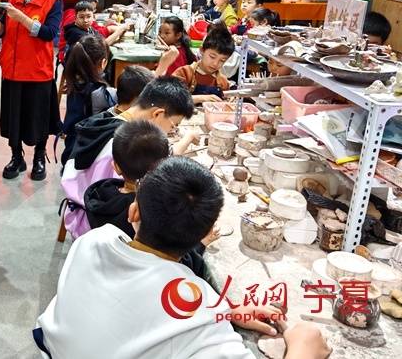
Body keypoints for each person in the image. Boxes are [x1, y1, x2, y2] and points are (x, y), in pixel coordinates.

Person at [36, 157, 332, 359]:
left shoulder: (93, 242)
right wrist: (303, 347)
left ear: (134, 211)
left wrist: (225, 310)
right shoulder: (198, 308)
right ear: (207, 234)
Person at [60, 76, 196, 239]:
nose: (171, 132)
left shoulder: (109, 122)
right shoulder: (124, 146)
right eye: (173, 126)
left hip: (80, 208)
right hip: (94, 225)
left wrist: (187, 139)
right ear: (158, 114)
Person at [84, 120, 214, 281]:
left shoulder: (102, 193)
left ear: (116, 166)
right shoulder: (154, 211)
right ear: (134, 213)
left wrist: (187, 138)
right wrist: (200, 244)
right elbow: (170, 261)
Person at [0, 0, 63, 181]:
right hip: (12, 70)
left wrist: (22, 17)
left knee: (38, 118)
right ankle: (16, 157)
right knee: (14, 118)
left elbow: (49, 33)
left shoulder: (53, 1)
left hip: (38, 71)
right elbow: (0, 32)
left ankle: (39, 157)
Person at [61, 35, 112, 165]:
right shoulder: (100, 93)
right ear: (103, 63)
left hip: (71, 149)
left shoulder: (74, 82)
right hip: (87, 155)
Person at [173, 23, 234, 104]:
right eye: (212, 57)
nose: (215, 63)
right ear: (202, 50)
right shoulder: (184, 73)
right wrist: (201, 98)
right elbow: (171, 99)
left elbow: (227, 99)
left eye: (222, 60)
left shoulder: (222, 81)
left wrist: (230, 98)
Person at [62, 1, 128, 58]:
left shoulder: (89, 28)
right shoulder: (75, 33)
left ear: (93, 17)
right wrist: (120, 30)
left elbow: (101, 40)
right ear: (75, 18)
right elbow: (102, 46)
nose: (85, 20)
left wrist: (117, 39)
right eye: (81, 17)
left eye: (88, 16)